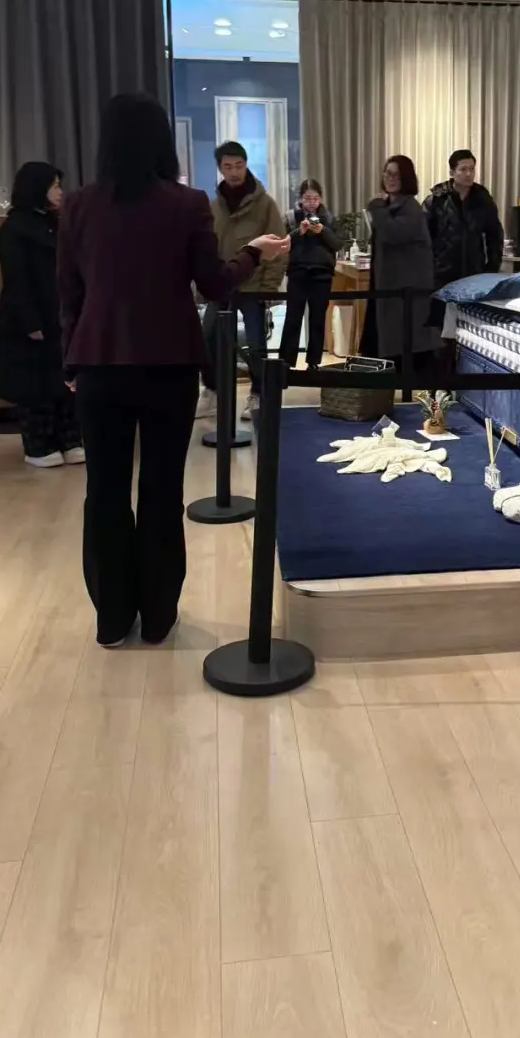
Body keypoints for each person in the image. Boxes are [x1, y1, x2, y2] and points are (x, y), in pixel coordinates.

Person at [57, 92, 289, 648]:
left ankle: (113, 617)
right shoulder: (186, 204)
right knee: (161, 489)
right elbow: (213, 283)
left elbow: (69, 294)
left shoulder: (79, 206)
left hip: (99, 363)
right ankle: (159, 614)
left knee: (104, 490)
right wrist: (254, 252)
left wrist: (71, 357)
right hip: (169, 364)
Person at [0, 162, 84, 468]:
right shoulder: (14, 228)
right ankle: (39, 446)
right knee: (35, 386)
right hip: (31, 318)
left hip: (60, 314)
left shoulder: (57, 224)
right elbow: (16, 279)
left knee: (65, 381)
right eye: (54, 186)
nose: (60, 192)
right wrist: (30, 322)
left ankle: (70, 440)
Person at [207, 141, 287, 419]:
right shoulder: (214, 206)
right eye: (227, 166)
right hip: (222, 285)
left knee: (256, 345)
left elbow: (279, 247)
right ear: (220, 169)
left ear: (246, 165)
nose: (234, 172)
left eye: (238, 165)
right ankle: (213, 391)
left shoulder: (265, 204)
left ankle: (258, 393)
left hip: (254, 288)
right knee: (210, 338)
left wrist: (269, 288)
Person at [366, 155, 442, 370]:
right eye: (387, 173)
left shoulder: (411, 208)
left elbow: (392, 233)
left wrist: (376, 208)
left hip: (407, 293)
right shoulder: (390, 206)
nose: (390, 178)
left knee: (409, 347)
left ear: (406, 178)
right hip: (390, 288)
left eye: (396, 175)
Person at [279, 179, 340, 371]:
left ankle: (313, 362)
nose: (312, 203)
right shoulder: (291, 217)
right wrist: (300, 231)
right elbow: (283, 242)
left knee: (317, 318)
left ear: (320, 199)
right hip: (297, 272)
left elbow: (338, 244)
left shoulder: (328, 217)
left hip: (322, 274)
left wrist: (323, 231)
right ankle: (286, 362)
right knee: (293, 317)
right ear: (300, 199)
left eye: (315, 198)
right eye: (307, 198)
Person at [425, 149, 504, 288]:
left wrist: (491, 269)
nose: (468, 174)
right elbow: (423, 238)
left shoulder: (483, 199)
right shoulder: (437, 200)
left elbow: (495, 236)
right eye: (463, 169)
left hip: (474, 274)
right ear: (452, 172)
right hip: (442, 276)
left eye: (472, 169)